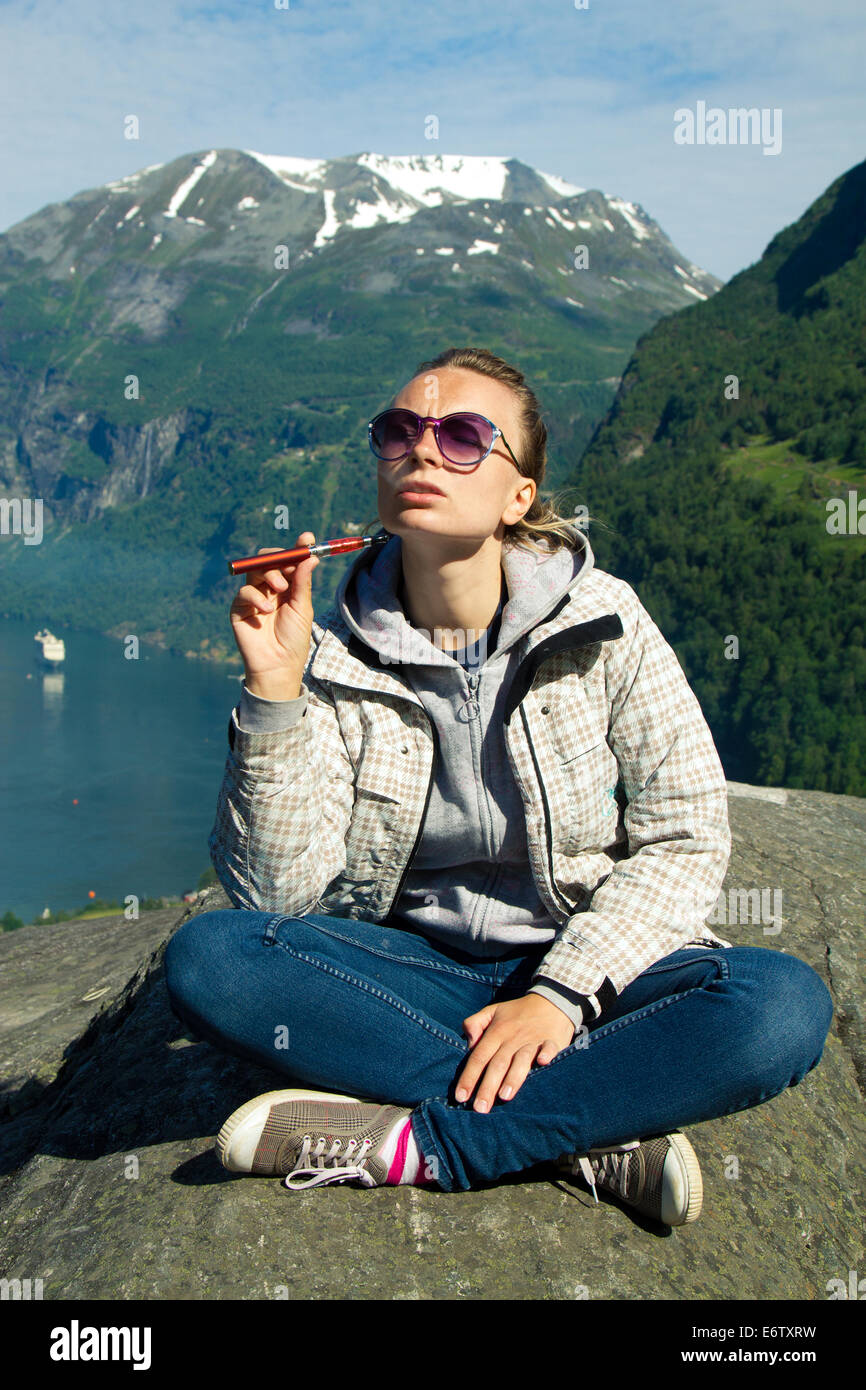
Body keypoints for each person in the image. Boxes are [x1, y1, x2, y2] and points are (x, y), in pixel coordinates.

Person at [164, 346, 833, 1226]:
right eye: (399, 431)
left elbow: (686, 834)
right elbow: (278, 897)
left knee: (779, 1008)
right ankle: (592, 1121)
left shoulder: (605, 622)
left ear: (520, 495)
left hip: (587, 966)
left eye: (465, 436)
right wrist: (277, 690)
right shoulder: (326, 653)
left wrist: (557, 997)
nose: (423, 451)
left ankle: (424, 1145)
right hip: (412, 972)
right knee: (212, 959)